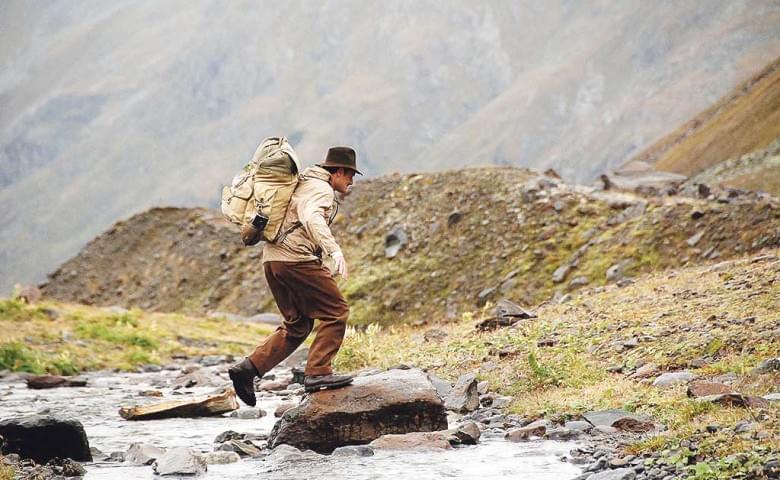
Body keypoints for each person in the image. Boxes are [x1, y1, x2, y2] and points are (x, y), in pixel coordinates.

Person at [228, 146, 361, 406]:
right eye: (350, 176)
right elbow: (312, 217)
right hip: (296, 260)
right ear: (339, 171)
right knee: (336, 312)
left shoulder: (303, 183)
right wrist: (334, 251)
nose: (351, 182)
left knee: (297, 325)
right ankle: (318, 373)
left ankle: (248, 369)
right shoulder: (321, 190)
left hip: (273, 261)